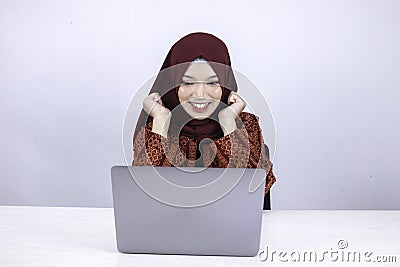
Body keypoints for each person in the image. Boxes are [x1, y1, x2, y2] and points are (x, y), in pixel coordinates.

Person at [132, 32, 276, 208]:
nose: (200, 94)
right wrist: (161, 119)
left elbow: (251, 194)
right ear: (173, 84)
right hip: (170, 232)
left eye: (213, 83)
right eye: (188, 83)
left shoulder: (245, 126)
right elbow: (145, 198)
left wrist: (228, 122)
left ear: (225, 84)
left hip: (232, 231)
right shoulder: (156, 128)